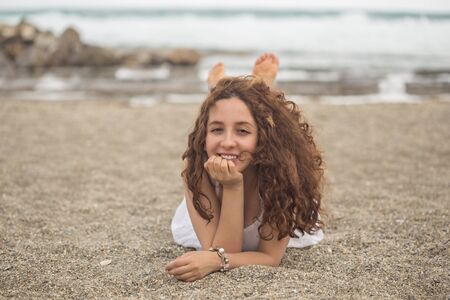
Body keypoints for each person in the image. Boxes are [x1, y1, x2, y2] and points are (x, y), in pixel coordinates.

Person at [165, 53, 325, 282]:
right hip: (213, 211)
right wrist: (231, 186)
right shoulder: (196, 164)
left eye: (243, 131)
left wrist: (216, 260)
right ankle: (229, 92)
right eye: (216, 130)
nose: (227, 142)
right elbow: (220, 248)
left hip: (270, 176)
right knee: (229, 106)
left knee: (253, 110)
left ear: (263, 138)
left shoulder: (283, 172)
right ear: (204, 135)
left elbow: (270, 257)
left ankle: (257, 89)